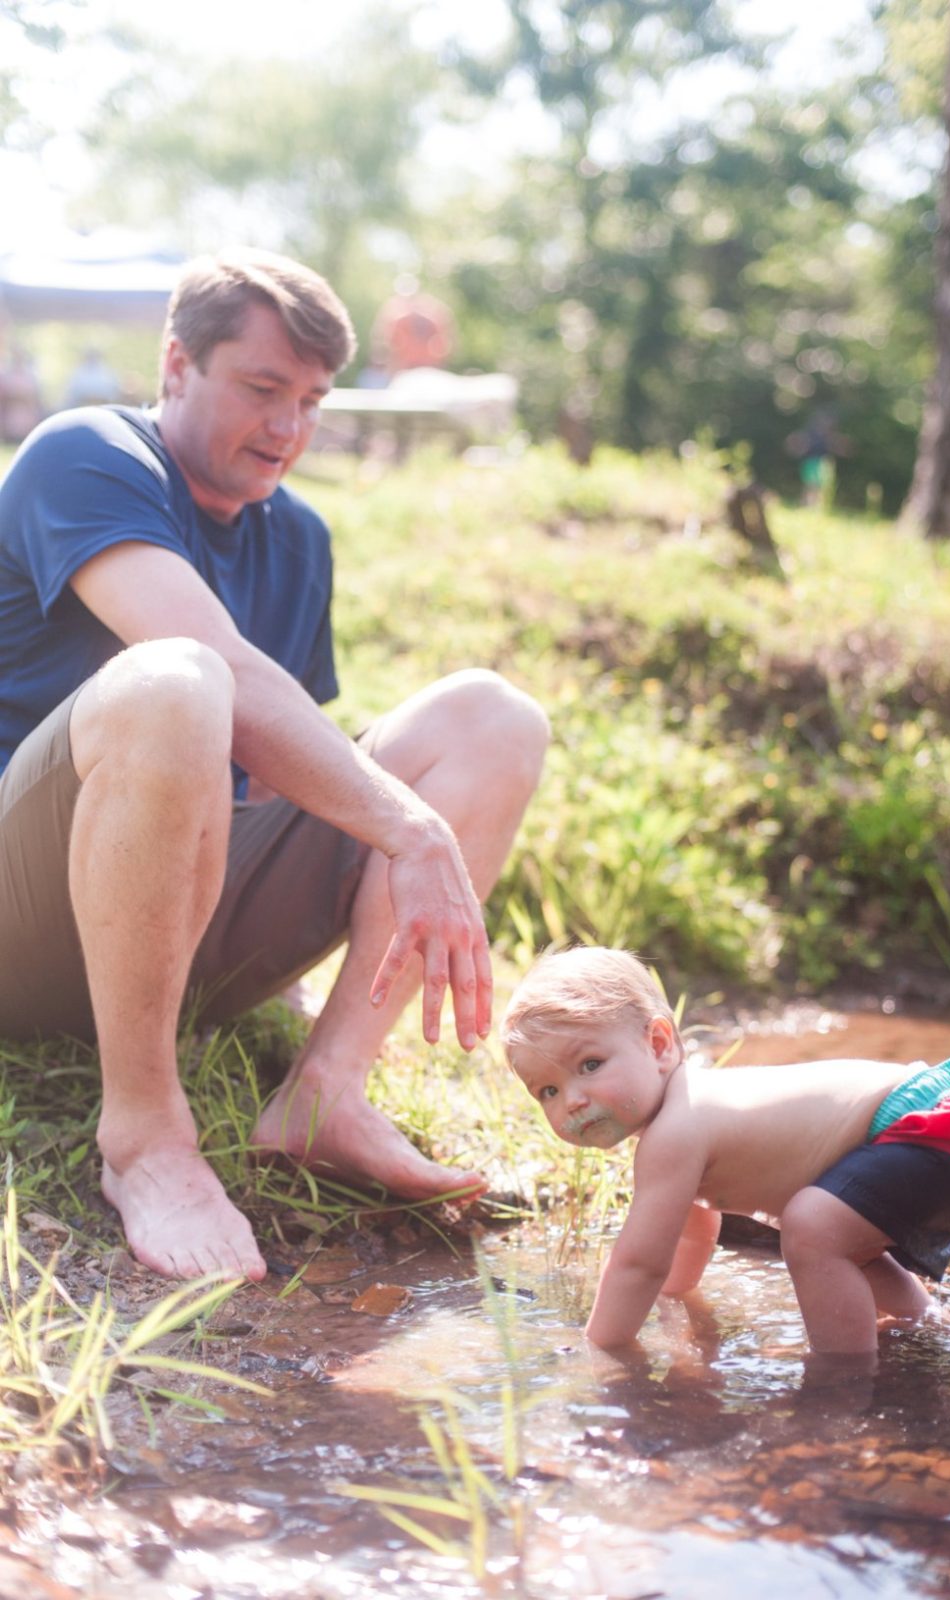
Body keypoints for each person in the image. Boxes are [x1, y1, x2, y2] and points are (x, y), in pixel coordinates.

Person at [0, 248, 549, 1284]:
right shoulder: (82, 454)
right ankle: (146, 1137)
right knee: (175, 678)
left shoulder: (296, 538)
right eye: (261, 389)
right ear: (175, 365)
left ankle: (323, 1097)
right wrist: (410, 829)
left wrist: (289, 977)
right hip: (19, 922)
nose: (289, 429)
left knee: (493, 716)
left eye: (310, 399)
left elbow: (260, 777)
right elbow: (225, 691)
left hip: (171, 937)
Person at [500, 947, 950, 1358]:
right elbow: (692, 1229)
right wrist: (677, 1302)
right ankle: (926, 1325)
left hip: (929, 1124)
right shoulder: (687, 1120)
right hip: (944, 1119)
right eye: (547, 1091)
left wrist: (600, 1350)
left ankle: (846, 1381)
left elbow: (638, 1264)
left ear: (658, 1045)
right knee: (831, 1237)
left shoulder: (677, 1129)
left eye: (589, 1064)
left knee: (812, 1230)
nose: (573, 1100)